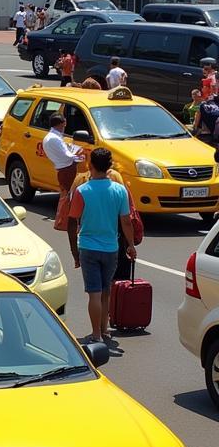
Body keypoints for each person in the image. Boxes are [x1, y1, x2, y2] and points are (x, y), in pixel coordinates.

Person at [67, 147, 137, 344]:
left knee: (94, 293)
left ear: (90, 165)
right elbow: (126, 221)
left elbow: (73, 221)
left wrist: (74, 252)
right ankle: (105, 330)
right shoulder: (120, 190)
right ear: (110, 166)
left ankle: (96, 333)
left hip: (88, 247)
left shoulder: (82, 191)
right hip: (111, 248)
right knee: (106, 291)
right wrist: (130, 245)